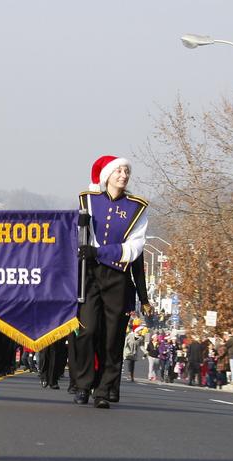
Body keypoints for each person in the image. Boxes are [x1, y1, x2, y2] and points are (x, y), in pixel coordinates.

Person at [69, 155, 149, 408]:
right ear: (107, 176)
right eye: (119, 171)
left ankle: (103, 390)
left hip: (118, 275)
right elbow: (77, 235)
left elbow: (134, 248)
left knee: (112, 337)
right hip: (90, 274)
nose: (124, 175)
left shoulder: (137, 207)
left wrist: (101, 252)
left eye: (126, 171)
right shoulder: (89, 201)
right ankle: (82, 385)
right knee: (87, 330)